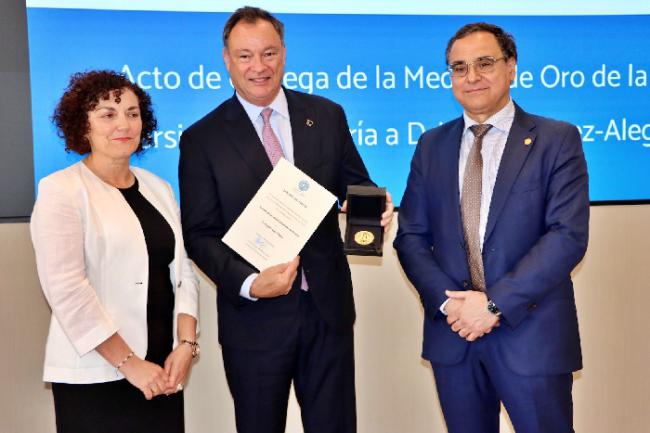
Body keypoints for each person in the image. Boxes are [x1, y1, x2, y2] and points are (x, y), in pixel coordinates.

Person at [178, 6, 393, 433]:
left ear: (284, 53)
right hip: (254, 321)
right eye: (245, 55)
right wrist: (250, 283)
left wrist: (372, 202)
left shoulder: (327, 115)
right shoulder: (202, 139)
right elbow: (200, 234)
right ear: (226, 59)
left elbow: (354, 185)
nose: (259, 66)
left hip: (326, 312)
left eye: (269, 53)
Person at [394, 23, 589, 433]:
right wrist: (452, 306)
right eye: (459, 67)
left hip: (531, 337)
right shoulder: (431, 146)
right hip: (455, 335)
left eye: (484, 63)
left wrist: (493, 304)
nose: (472, 77)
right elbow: (410, 236)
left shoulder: (556, 139)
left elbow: (566, 236)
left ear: (512, 67)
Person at [30, 70, 200, 433]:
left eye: (132, 113)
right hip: (98, 374)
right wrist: (129, 364)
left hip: (163, 371)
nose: (124, 123)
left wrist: (186, 345)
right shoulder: (61, 190)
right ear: (83, 126)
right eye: (108, 114)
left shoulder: (159, 187)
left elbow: (182, 270)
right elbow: (67, 291)